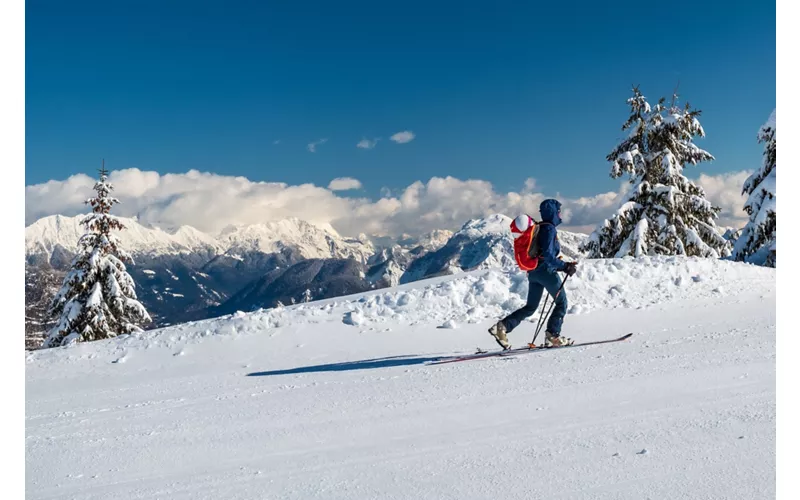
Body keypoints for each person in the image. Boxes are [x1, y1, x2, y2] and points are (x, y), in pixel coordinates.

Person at [488, 199, 577, 349]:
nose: (561, 214)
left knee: (531, 307)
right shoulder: (549, 229)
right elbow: (548, 256)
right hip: (546, 272)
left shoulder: (539, 227)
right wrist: (565, 266)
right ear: (554, 213)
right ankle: (553, 337)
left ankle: (501, 327)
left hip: (533, 272)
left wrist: (562, 265)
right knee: (562, 303)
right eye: (559, 211)